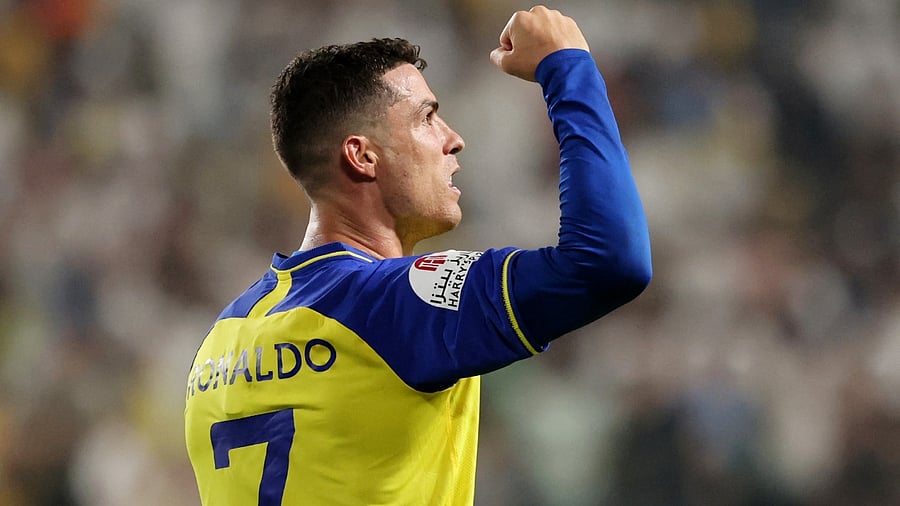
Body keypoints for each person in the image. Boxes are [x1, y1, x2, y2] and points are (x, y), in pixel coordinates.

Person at [184, 5, 651, 505]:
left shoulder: (218, 345)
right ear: (362, 156)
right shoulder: (386, 304)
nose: (454, 139)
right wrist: (568, 66)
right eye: (426, 118)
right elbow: (607, 261)